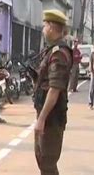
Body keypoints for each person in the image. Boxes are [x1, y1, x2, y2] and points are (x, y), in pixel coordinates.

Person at [33, 9, 73, 175]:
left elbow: (54, 89)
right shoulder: (53, 50)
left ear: (51, 27)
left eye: (45, 25)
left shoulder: (59, 54)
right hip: (48, 115)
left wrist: (41, 119)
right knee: (44, 161)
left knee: (47, 163)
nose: (43, 29)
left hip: (51, 118)